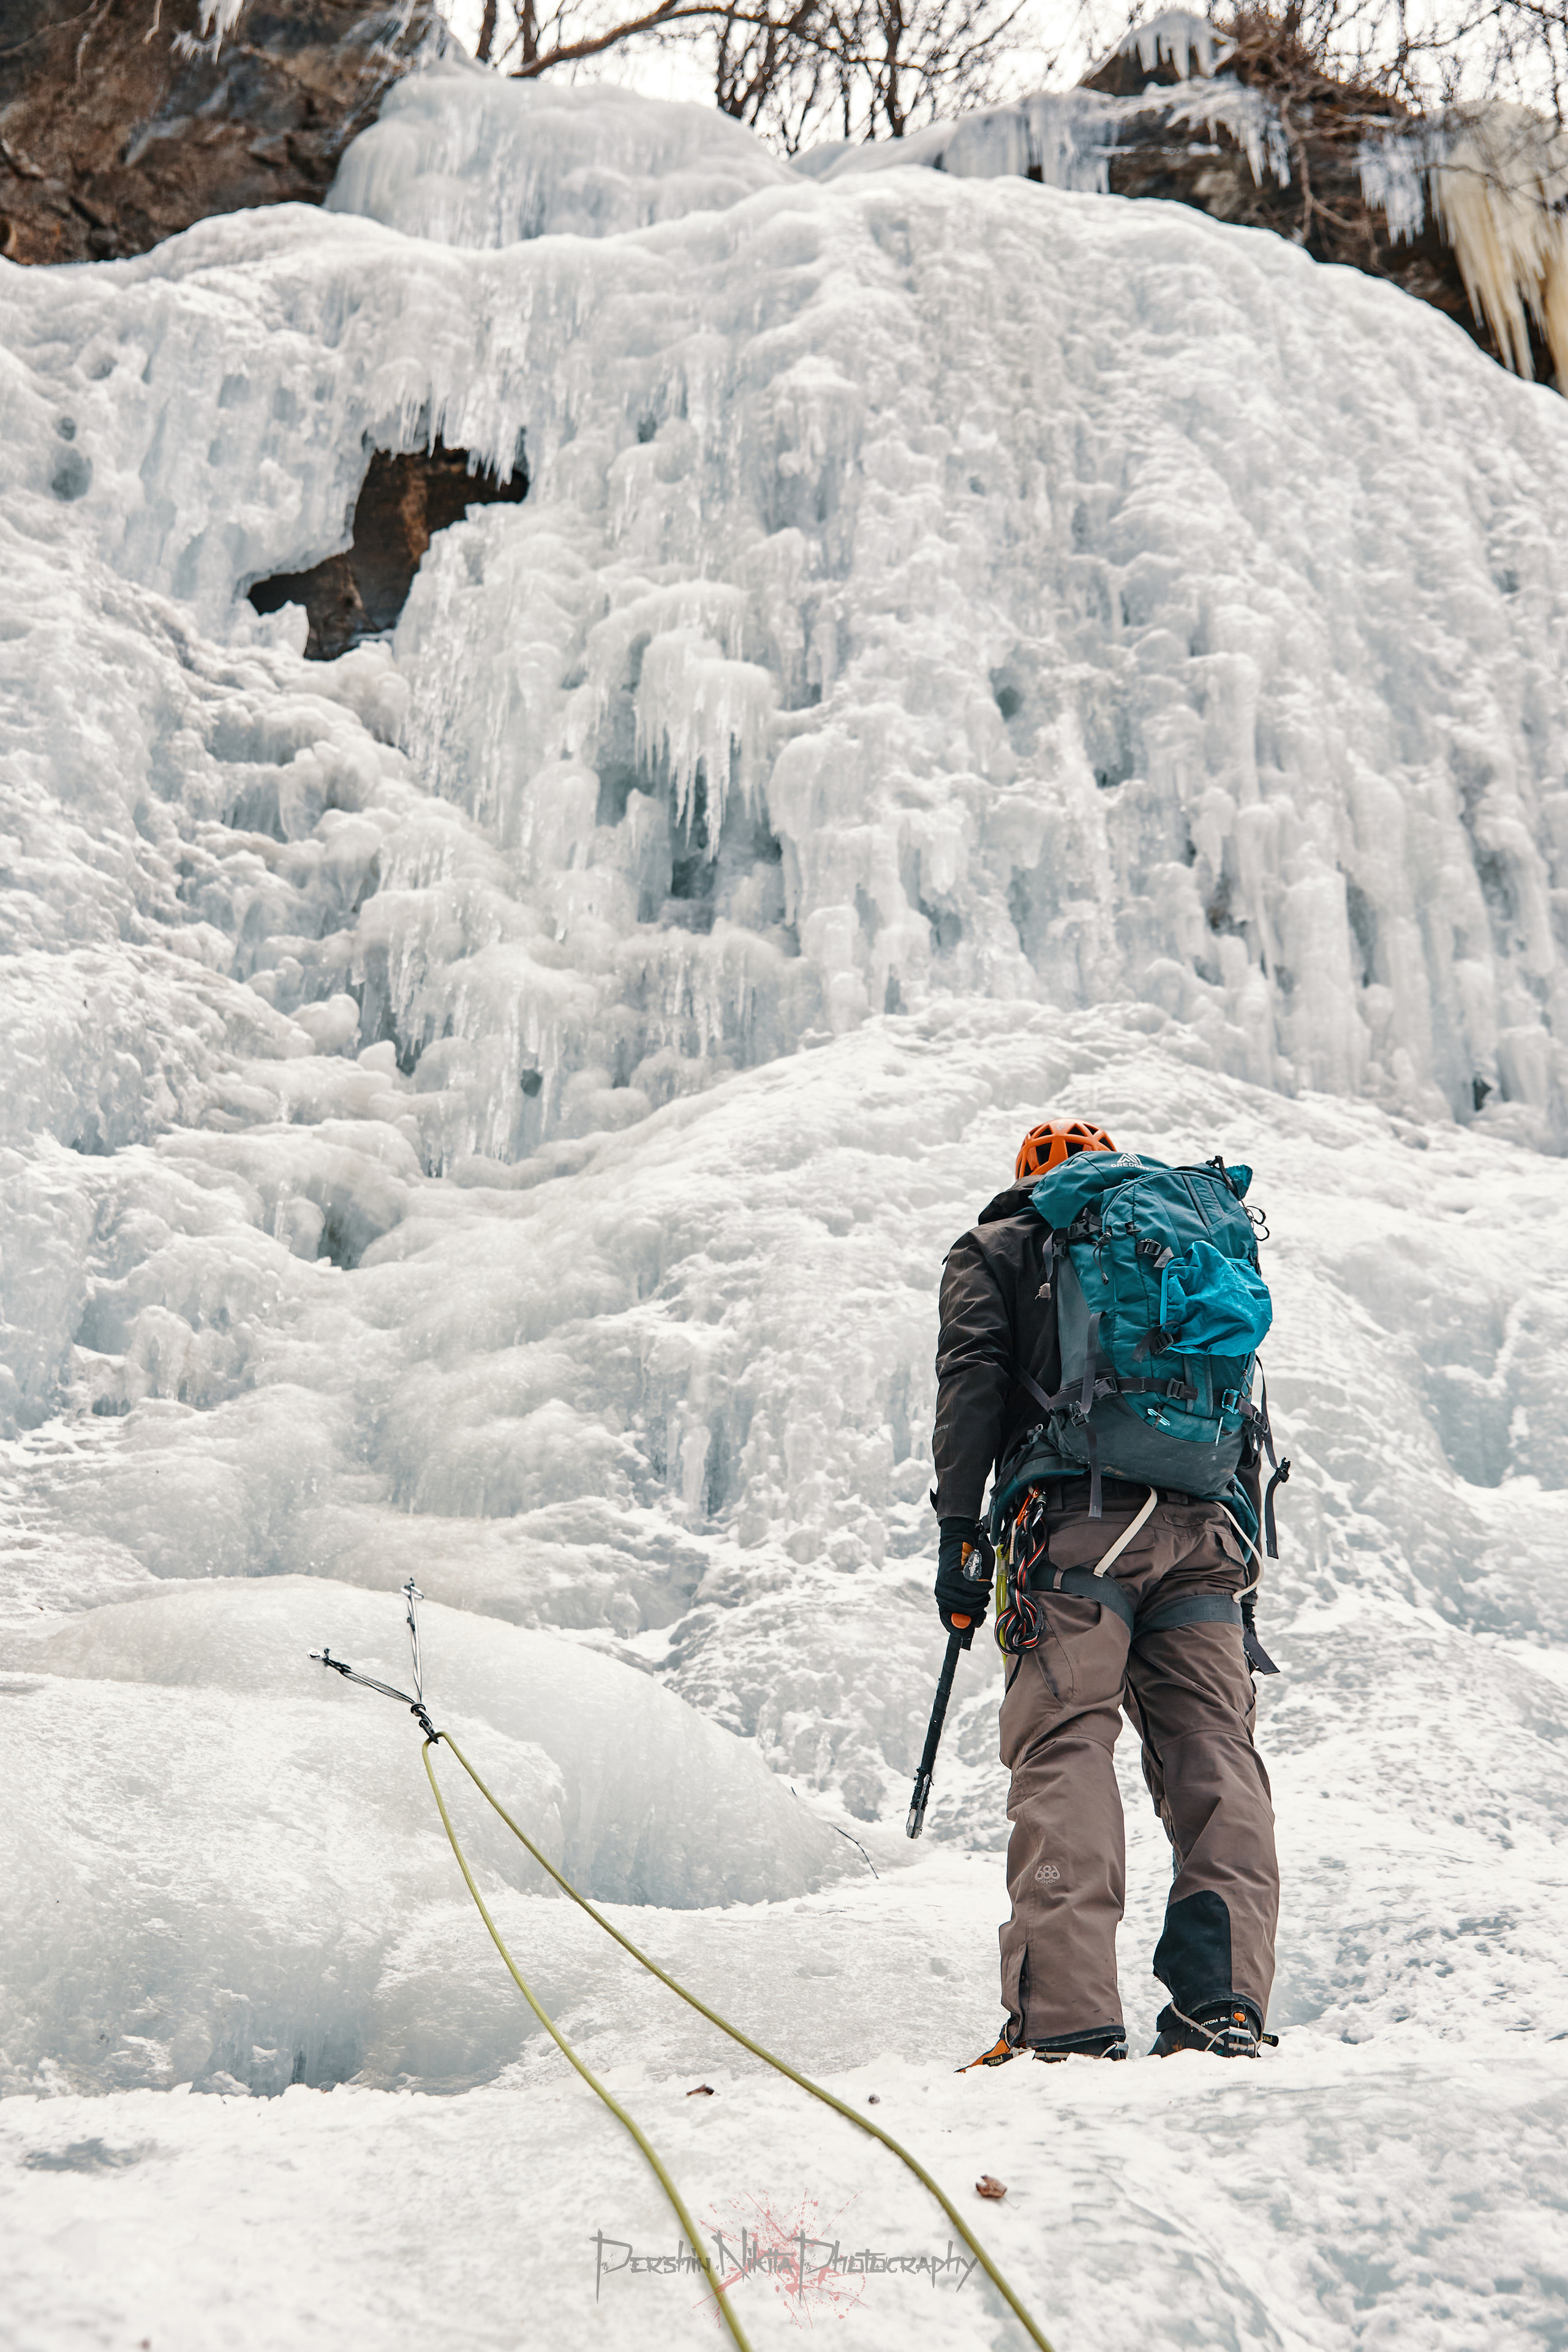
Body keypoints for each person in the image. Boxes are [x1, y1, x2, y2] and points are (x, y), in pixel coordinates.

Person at [932, 1118, 1280, 2064]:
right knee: (1215, 1751)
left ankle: (1066, 2022)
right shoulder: (1189, 1231)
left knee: (1066, 1742)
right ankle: (1226, 2008)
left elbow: (972, 1378)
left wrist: (960, 1538)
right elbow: (1243, 1404)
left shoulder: (1003, 1243)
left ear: (1029, 1181)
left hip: (1077, 1527)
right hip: (1208, 1530)